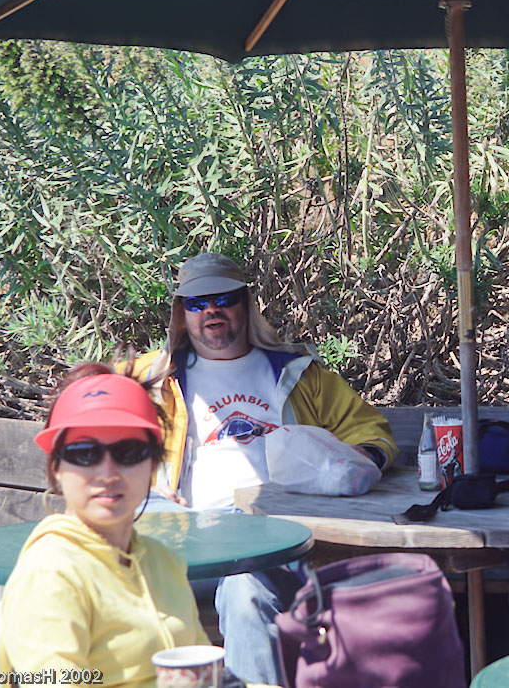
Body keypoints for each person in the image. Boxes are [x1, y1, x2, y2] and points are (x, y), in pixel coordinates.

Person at [132, 252, 397, 684]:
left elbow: (369, 430)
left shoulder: (297, 374)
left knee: (245, 591)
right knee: (111, 585)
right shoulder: (153, 378)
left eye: (223, 299)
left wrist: (360, 461)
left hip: (273, 542)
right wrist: (139, 484)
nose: (211, 311)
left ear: (246, 304)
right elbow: (95, 433)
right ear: (182, 315)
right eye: (197, 304)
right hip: (184, 544)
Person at [0, 364, 208, 683]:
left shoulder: (164, 562)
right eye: (84, 453)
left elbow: (206, 670)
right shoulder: (50, 575)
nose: (108, 473)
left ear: (152, 465)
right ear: (56, 469)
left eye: (129, 452)